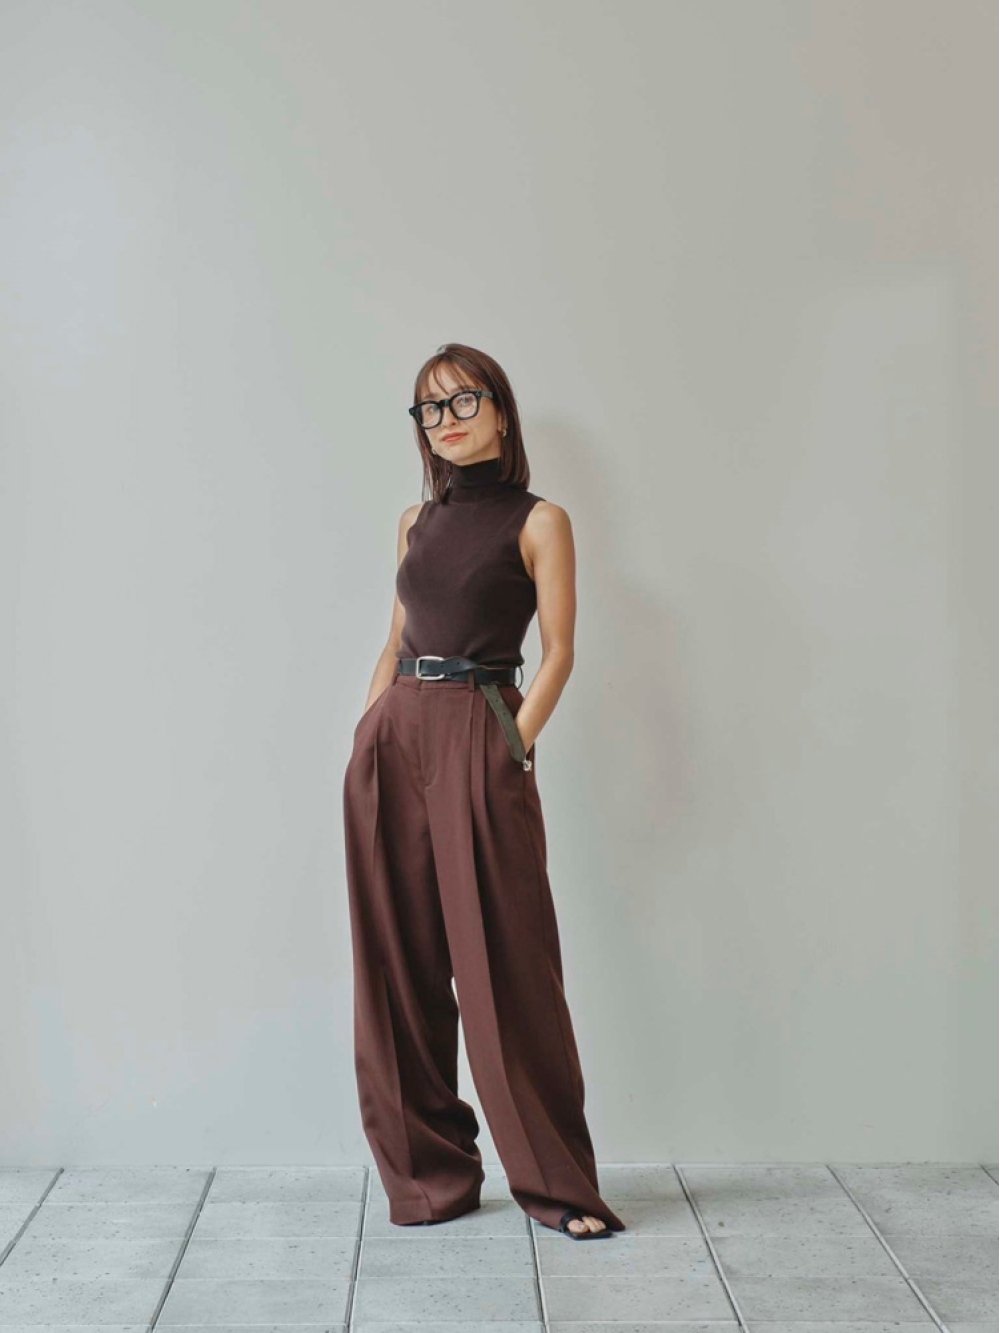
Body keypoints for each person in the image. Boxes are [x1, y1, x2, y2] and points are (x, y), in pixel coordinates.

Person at [342, 342, 625, 1241]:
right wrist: (367, 732)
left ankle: (557, 1184)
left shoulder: (541, 520)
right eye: (430, 408)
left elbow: (560, 651)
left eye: (464, 399)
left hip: (480, 725)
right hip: (396, 733)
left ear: (501, 410)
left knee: (506, 963)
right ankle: (430, 1180)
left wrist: (512, 743)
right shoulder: (414, 523)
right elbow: (394, 638)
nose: (448, 419)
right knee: (397, 966)